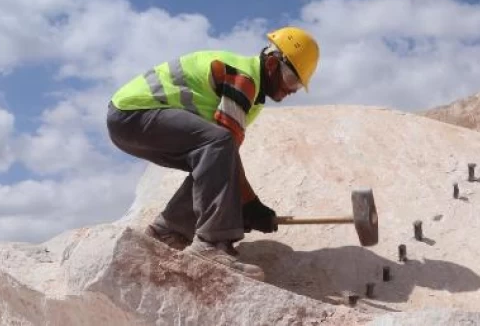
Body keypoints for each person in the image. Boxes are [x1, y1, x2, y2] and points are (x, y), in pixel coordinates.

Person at [105, 26, 319, 281]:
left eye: (297, 85)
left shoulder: (252, 92)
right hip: (133, 114)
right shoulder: (244, 79)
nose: (291, 90)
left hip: (130, 121)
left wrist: (248, 205)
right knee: (217, 146)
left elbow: (224, 159)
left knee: (213, 159)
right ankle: (211, 244)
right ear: (273, 63)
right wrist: (249, 205)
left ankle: (169, 231)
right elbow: (222, 144)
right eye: (292, 80)